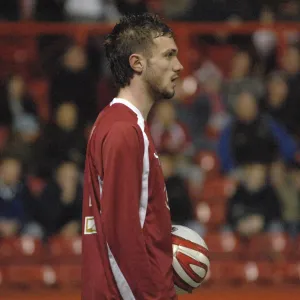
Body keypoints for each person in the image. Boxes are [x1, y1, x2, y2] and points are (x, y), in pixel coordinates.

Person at [81, 13, 183, 299]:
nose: (179, 65)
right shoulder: (125, 130)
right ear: (137, 63)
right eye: (169, 55)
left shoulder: (117, 122)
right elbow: (120, 236)